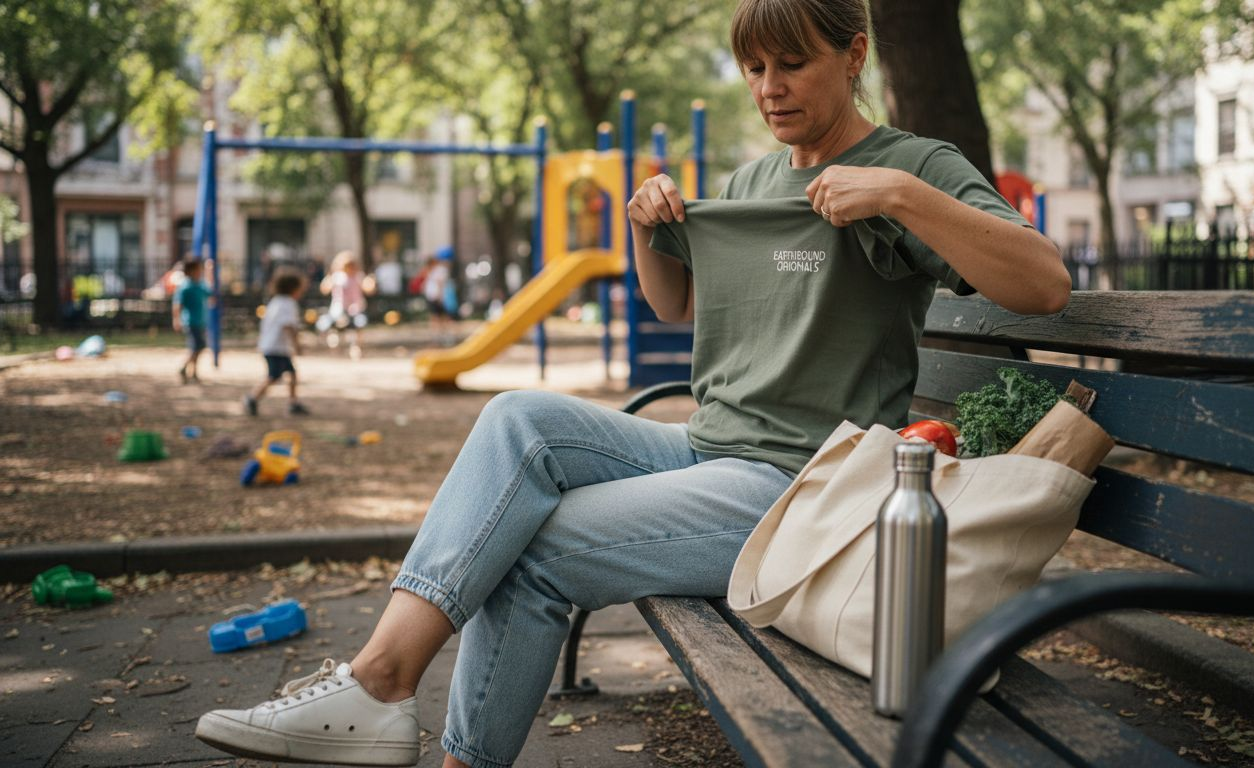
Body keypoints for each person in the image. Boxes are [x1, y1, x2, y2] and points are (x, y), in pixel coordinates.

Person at [195, 1, 1070, 766]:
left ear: (855, 54)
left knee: (532, 551)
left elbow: (1044, 284)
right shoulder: (754, 179)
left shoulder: (913, 164)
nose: (769, 86)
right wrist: (647, 227)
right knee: (517, 420)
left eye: (792, 61)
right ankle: (378, 687)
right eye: (754, 67)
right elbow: (678, 306)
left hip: (803, 487)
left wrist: (903, 195)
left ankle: (386, 694)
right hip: (703, 446)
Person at [244, 268, 310, 417]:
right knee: (273, 376)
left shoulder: (276, 301)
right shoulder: (288, 304)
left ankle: (293, 402)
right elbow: (288, 326)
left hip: (274, 347)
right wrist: (297, 345)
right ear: (293, 288)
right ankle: (252, 398)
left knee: (292, 374)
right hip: (276, 348)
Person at [317, 250, 374, 359]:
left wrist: (370, 283)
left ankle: (356, 348)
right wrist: (328, 279)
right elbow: (325, 288)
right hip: (339, 308)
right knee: (334, 326)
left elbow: (368, 288)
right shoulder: (337, 276)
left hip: (355, 308)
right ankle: (335, 346)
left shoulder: (358, 276)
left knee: (358, 325)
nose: (350, 269)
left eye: (351, 266)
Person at [171, 259, 211, 384]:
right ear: (191, 271)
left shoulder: (200, 284)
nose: (200, 272)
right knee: (196, 347)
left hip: (200, 321)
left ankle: (193, 372)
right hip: (190, 322)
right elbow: (177, 305)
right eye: (198, 269)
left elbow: (210, 293)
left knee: (198, 348)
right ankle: (184, 368)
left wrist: (210, 272)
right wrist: (176, 319)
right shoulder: (185, 287)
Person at [421, 246, 457, 343]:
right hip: (436, 296)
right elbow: (439, 284)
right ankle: (443, 334)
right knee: (442, 316)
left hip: (432, 295)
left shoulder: (434, 270)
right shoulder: (441, 270)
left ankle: (439, 334)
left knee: (437, 316)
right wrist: (441, 296)